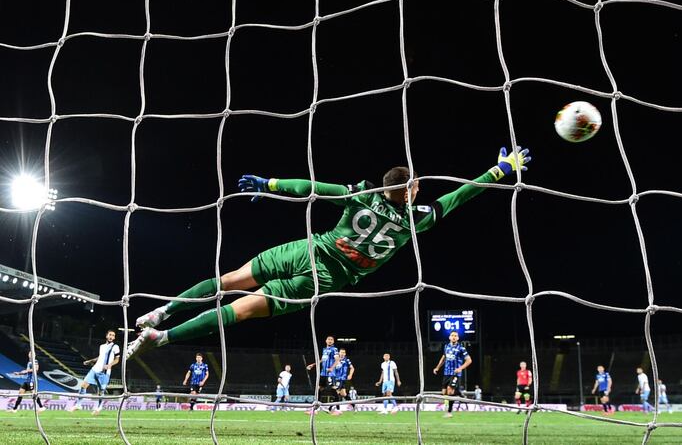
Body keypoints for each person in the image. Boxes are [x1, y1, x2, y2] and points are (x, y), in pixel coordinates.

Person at [125, 148, 530, 358]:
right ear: (410, 190)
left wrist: (269, 184)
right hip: (320, 279)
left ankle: (162, 311)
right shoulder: (416, 219)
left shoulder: (362, 194)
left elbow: (312, 188)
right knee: (242, 311)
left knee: (228, 280)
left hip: (304, 251)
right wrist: (500, 170)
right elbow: (460, 196)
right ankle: (162, 337)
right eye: (416, 185)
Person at [68, 330, 120, 415]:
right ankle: (78, 405)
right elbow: (100, 357)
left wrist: (109, 365)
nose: (111, 337)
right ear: (106, 336)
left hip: (104, 372)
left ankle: (99, 408)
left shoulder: (115, 346)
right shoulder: (102, 346)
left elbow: (117, 359)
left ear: (114, 338)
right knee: (83, 385)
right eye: (110, 335)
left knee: (101, 391)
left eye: (113, 336)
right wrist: (90, 361)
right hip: (95, 369)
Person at [433, 331, 472, 418]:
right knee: (444, 392)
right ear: (449, 337)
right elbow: (443, 358)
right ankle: (459, 393)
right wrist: (437, 367)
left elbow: (469, 360)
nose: (454, 337)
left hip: (455, 374)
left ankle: (449, 412)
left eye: (455, 336)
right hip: (446, 373)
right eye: (452, 335)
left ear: (458, 338)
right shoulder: (446, 347)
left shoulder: (461, 348)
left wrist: (460, 368)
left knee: (450, 390)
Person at [306, 336, 338, 413]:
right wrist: (313, 365)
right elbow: (322, 360)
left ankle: (336, 408)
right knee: (319, 389)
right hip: (323, 373)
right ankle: (316, 408)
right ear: (326, 341)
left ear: (333, 342)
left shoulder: (334, 349)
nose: (330, 341)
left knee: (333, 389)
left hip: (330, 374)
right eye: (328, 339)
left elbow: (337, 360)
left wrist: (331, 368)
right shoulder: (325, 350)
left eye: (331, 340)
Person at [329, 349, 355, 414]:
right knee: (344, 394)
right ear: (339, 353)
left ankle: (335, 409)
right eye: (341, 352)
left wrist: (350, 375)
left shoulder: (347, 360)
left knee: (337, 392)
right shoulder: (336, 360)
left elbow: (352, 368)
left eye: (344, 352)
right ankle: (354, 406)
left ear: (345, 354)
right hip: (336, 378)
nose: (342, 353)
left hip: (341, 379)